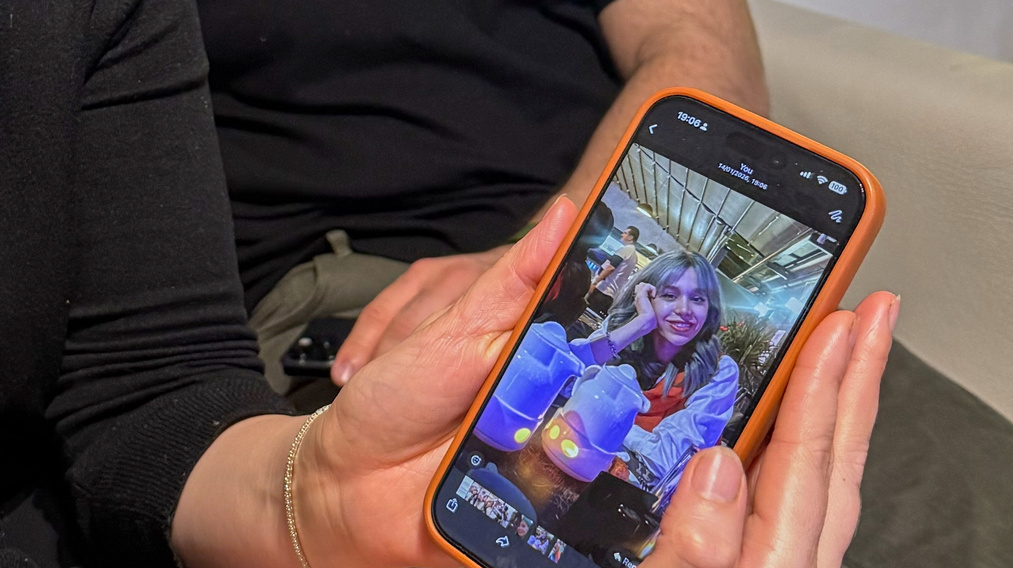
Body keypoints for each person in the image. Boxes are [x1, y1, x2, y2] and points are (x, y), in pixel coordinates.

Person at [2, 2, 897, 568]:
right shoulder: (614, 332)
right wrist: (572, 286)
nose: (674, 308)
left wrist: (320, 492)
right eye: (664, 292)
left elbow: (145, 383)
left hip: (552, 280)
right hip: (385, 281)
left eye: (687, 299)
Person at [193, 0, 771, 394]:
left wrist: (525, 265)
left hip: (516, 261)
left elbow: (711, 76)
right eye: (674, 294)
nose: (683, 311)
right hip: (312, 296)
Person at [571, 250, 739, 490]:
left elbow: (665, 461)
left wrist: (596, 415)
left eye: (698, 299)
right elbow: (565, 376)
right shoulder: (626, 328)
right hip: (567, 452)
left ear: (709, 309)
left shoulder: (719, 371)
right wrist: (640, 324)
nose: (684, 309)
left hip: (623, 492)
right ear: (648, 296)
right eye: (670, 295)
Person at [587, 225, 642, 315]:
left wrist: (595, 283)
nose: (622, 235)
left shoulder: (626, 250)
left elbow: (611, 268)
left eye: (625, 233)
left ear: (630, 237)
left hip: (603, 290)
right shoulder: (634, 256)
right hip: (610, 295)